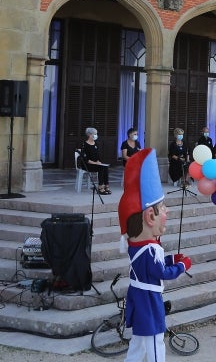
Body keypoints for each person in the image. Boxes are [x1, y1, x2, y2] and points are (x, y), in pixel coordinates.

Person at [117, 148, 192, 362]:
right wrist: (182, 265)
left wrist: (170, 258)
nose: (166, 212)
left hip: (139, 295)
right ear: (150, 216)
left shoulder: (142, 247)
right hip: (149, 299)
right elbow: (160, 272)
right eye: (163, 207)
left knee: (139, 342)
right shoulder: (150, 248)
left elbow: (152, 265)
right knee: (155, 340)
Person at [80, 127, 110, 195]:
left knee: (105, 167)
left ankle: (106, 186)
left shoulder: (96, 144)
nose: (96, 135)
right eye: (95, 134)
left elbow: (98, 156)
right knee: (101, 168)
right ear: (90, 135)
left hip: (96, 164)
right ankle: (100, 187)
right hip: (87, 164)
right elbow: (85, 159)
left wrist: (99, 162)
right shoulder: (84, 144)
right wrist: (95, 163)